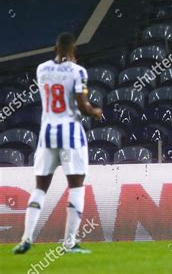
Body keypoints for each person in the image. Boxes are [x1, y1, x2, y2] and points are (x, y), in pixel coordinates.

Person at [13, 32, 102, 254]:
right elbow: (83, 107)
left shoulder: (41, 70)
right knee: (76, 186)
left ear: (55, 49)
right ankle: (69, 242)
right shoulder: (78, 72)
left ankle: (26, 239)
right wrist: (95, 111)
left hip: (47, 134)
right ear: (74, 52)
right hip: (71, 134)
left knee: (40, 187)